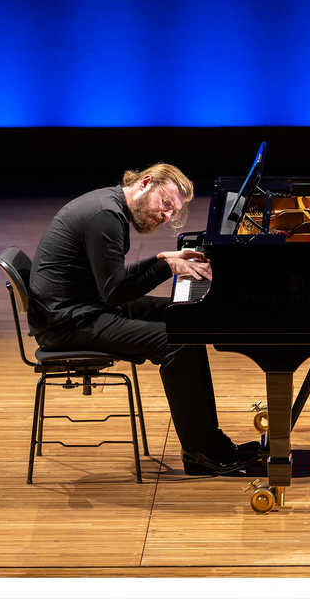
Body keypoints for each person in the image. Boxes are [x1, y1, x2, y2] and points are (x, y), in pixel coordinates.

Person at [26, 162, 260, 476]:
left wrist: (163, 258)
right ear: (146, 182)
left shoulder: (110, 205)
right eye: (166, 203)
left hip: (83, 306)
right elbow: (115, 293)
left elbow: (112, 281)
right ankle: (201, 451)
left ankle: (211, 442)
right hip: (67, 324)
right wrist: (167, 265)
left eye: (173, 212)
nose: (166, 216)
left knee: (186, 318)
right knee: (175, 342)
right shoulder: (106, 217)